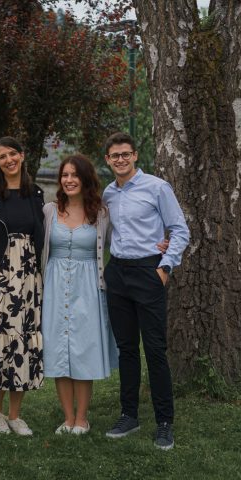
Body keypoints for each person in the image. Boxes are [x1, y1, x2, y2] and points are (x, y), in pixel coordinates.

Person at [102, 132, 189, 450]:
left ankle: (165, 422)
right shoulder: (108, 193)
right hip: (118, 273)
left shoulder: (157, 187)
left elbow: (179, 229)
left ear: (135, 155)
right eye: (115, 155)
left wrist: (165, 267)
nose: (121, 159)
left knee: (154, 349)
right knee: (126, 348)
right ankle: (129, 415)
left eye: (126, 154)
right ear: (107, 160)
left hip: (149, 272)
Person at [41, 154, 118, 435]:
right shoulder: (49, 211)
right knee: (58, 349)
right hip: (54, 286)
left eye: (74, 175)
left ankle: (82, 418)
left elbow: (123, 241)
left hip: (88, 287)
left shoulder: (102, 214)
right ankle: (68, 417)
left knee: (84, 350)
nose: (69, 180)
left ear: (85, 179)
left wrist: (161, 244)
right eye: (65, 175)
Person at [0, 136, 44, 436]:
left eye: (13, 154)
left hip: (28, 278)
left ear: (22, 155)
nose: (8, 160)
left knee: (24, 342)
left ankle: (15, 415)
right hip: (0, 279)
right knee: (1, 344)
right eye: (2, 156)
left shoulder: (35, 194)